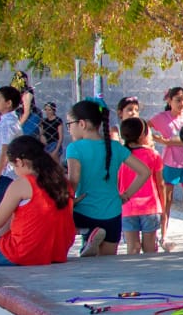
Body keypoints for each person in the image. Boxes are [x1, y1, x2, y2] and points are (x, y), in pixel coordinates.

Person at [65, 99, 153, 257]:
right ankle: (91, 241)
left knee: (61, 218)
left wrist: (69, 200)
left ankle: (87, 236)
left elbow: (74, 180)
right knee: (107, 263)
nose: (69, 129)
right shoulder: (115, 146)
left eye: (70, 124)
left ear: (82, 124)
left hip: (84, 212)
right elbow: (144, 172)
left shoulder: (75, 148)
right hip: (112, 213)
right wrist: (126, 196)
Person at [0, 135, 76, 266]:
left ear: (19, 162)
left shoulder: (22, 183)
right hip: (57, 251)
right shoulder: (63, 182)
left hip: (24, 252)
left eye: (13, 167)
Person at [148, 86, 183, 248]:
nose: (181, 104)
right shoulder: (162, 117)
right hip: (170, 164)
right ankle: (163, 236)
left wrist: (167, 141)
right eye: (178, 100)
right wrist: (153, 140)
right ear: (169, 101)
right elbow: (145, 126)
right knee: (166, 200)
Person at [115, 117, 164, 256]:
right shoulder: (153, 154)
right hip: (150, 206)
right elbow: (160, 183)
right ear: (143, 134)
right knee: (150, 247)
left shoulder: (120, 156)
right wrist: (163, 204)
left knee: (132, 247)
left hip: (127, 206)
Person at [0, 86, 25, 204]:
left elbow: (5, 152)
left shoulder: (9, 124)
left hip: (5, 175)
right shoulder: (5, 121)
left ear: (8, 103)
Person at [11, 71, 39, 136]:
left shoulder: (27, 92)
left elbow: (27, 112)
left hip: (28, 120)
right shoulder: (15, 93)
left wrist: (18, 127)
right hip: (19, 119)